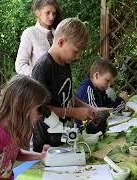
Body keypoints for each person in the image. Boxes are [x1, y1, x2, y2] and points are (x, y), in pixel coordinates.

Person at [31, 18, 109, 152]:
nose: (79, 56)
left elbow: (66, 96)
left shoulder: (65, 64)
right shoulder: (44, 66)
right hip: (46, 141)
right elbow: (38, 109)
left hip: (64, 136)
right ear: (61, 42)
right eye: (76, 50)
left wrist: (90, 108)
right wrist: (74, 112)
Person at [75, 59, 129, 133]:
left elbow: (108, 105)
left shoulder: (99, 88)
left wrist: (119, 101)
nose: (109, 85)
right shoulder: (88, 90)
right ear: (97, 76)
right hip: (85, 132)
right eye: (107, 80)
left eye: (111, 82)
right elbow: (100, 114)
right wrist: (122, 100)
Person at [15, 0, 62, 76]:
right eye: (48, 13)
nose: (52, 17)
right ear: (37, 13)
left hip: (58, 85)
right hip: (38, 85)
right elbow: (20, 66)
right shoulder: (30, 33)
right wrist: (39, 76)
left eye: (54, 13)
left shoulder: (58, 33)